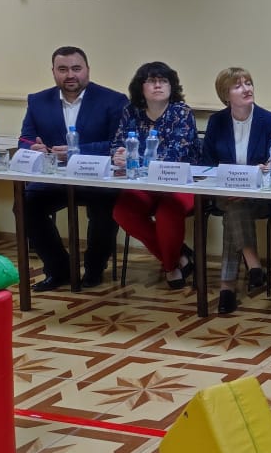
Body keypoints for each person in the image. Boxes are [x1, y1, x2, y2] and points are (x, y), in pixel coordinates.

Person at [19, 46, 127, 291]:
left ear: (87, 70)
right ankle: (59, 270)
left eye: (76, 69)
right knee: (25, 205)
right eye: (63, 69)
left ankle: (94, 269)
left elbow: (118, 144)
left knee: (105, 209)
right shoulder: (37, 101)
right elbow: (25, 139)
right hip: (54, 179)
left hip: (97, 178)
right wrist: (33, 148)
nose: (70, 75)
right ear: (53, 72)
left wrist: (77, 152)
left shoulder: (114, 100)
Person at [111, 62, 202, 289]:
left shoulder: (181, 112)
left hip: (180, 183)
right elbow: (117, 144)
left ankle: (171, 267)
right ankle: (179, 256)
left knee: (167, 212)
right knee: (123, 211)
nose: (158, 85)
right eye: (152, 81)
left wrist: (134, 157)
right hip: (143, 183)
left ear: (172, 86)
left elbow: (175, 155)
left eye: (163, 81)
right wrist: (119, 155)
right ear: (141, 87)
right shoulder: (131, 112)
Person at [202, 67, 271, 315]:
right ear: (225, 95)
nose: (246, 89)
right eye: (238, 86)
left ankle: (228, 287)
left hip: (259, 194)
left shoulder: (268, 121)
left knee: (234, 209)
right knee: (234, 204)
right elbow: (207, 164)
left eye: (248, 83)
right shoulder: (216, 121)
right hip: (224, 192)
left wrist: (260, 173)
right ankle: (252, 264)